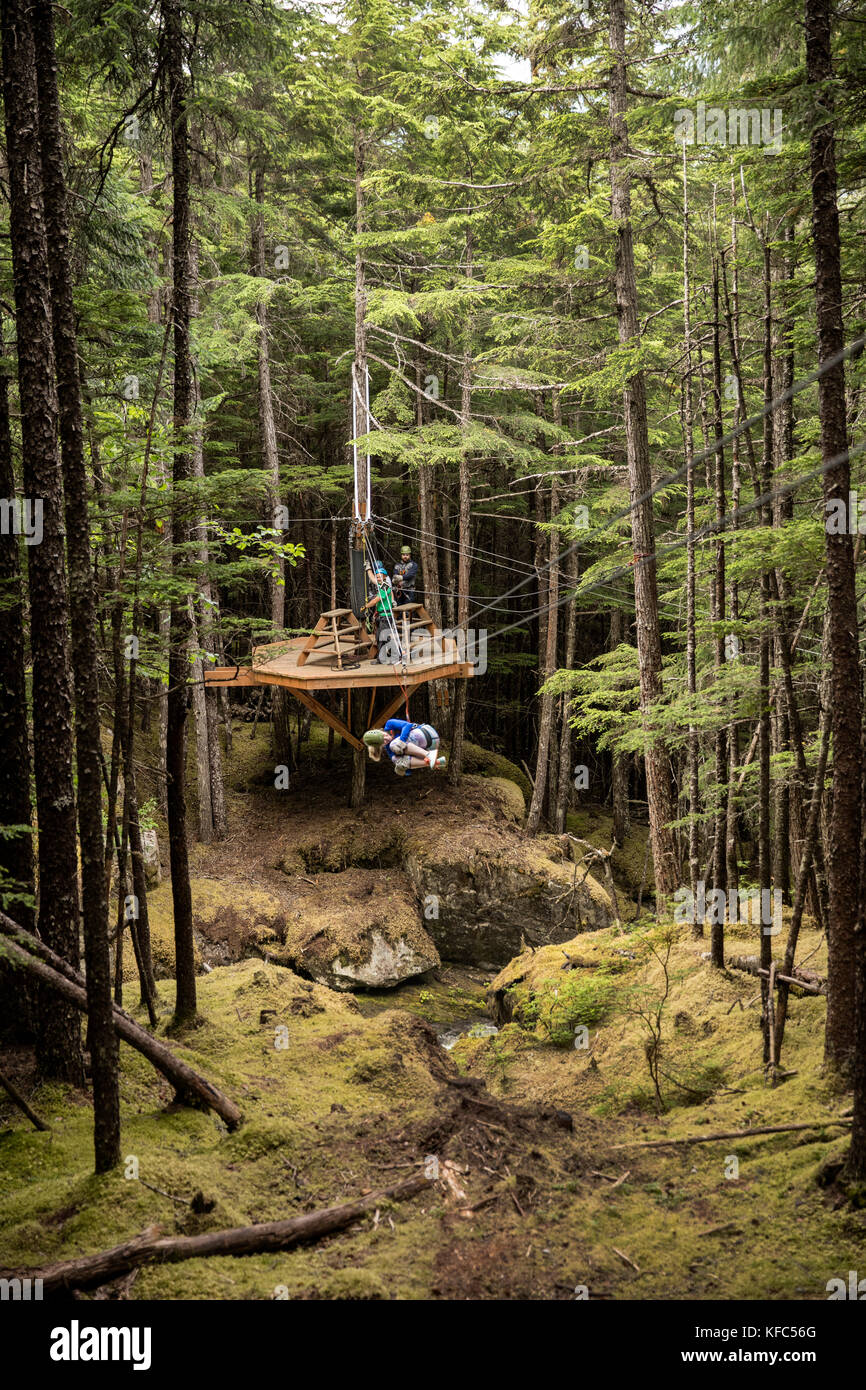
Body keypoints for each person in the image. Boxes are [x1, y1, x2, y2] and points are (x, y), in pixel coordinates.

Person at [363, 720, 445, 775]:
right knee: (396, 759)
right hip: (431, 746)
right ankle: (436, 762)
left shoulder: (389, 724)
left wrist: (402, 740)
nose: (386, 739)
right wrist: (402, 769)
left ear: (381, 731)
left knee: (394, 745)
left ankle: (428, 755)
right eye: (383, 742)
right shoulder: (388, 748)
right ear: (381, 746)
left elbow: (407, 725)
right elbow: (407, 769)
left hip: (427, 734)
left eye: (383, 736)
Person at [362, 562, 396, 663]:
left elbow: (377, 599)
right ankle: (382, 658)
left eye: (380, 576)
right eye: (377, 577)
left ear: (385, 576)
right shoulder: (382, 586)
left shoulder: (385, 587)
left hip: (386, 616)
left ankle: (395, 656)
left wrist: (366, 606)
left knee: (386, 637)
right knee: (380, 637)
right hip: (382, 615)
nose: (378, 578)